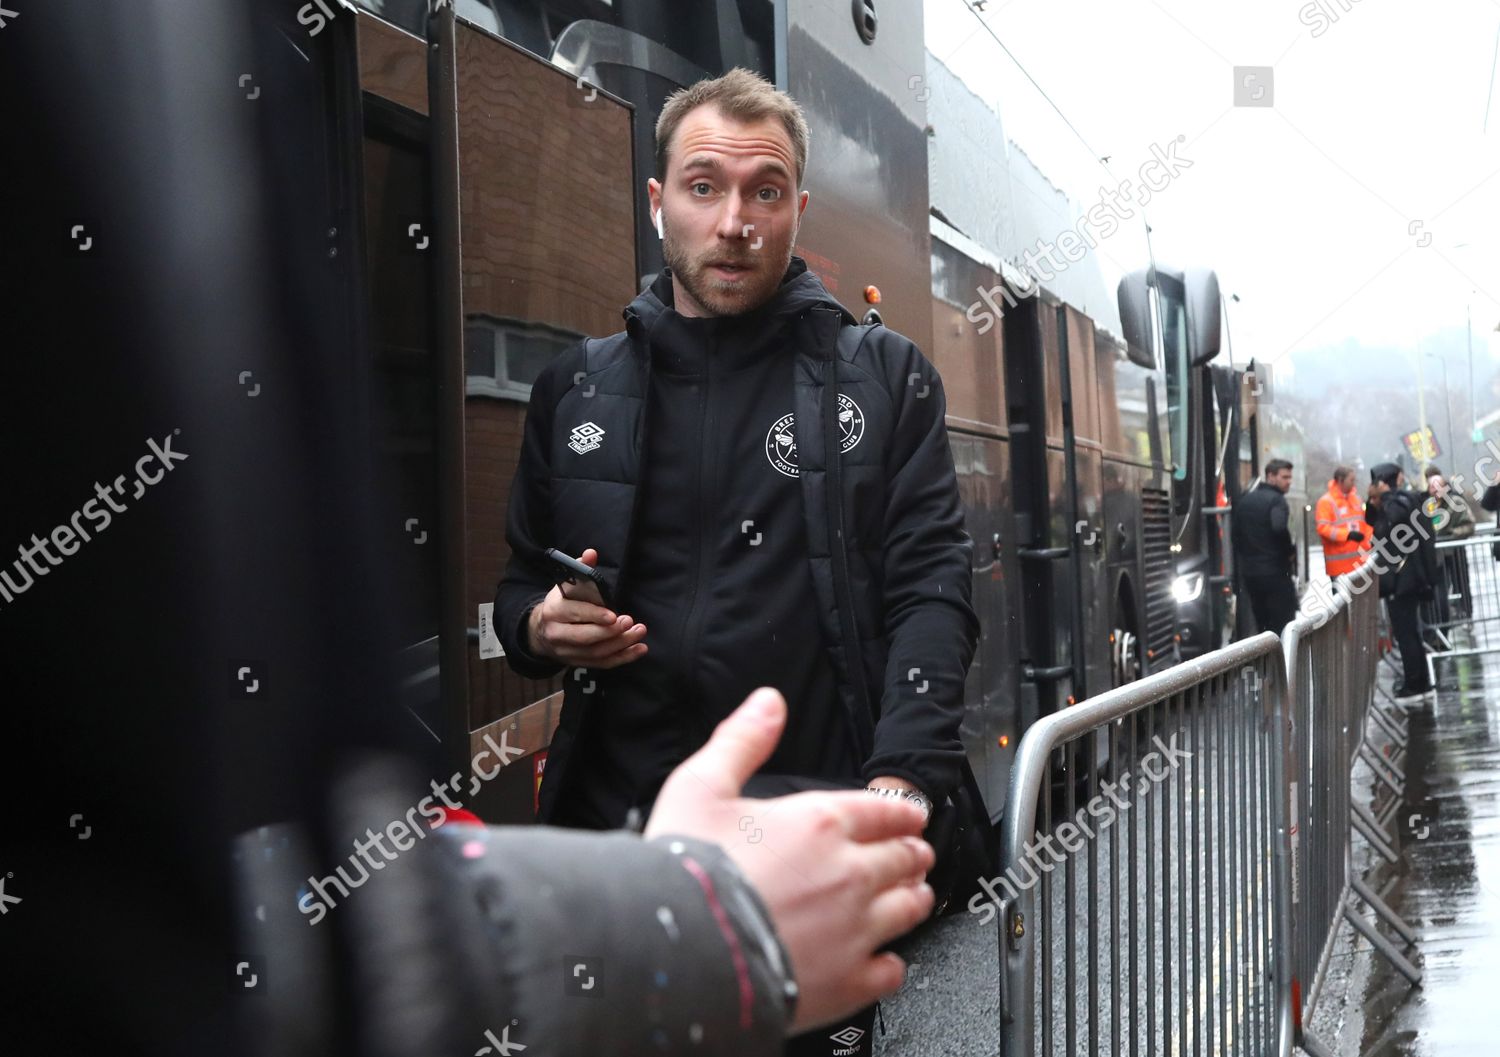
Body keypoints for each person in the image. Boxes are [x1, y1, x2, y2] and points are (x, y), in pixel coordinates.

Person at [495, 68, 979, 1056]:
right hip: (613, 848)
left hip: (794, 848)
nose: (735, 221)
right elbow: (514, 588)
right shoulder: (573, 391)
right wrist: (539, 627)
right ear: (658, 200)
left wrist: (899, 779)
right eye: (704, 185)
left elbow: (933, 588)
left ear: (799, 209)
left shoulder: (884, 381)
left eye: (765, 192)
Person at [1364, 463, 1439, 700]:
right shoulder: (1409, 499)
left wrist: (1381, 498)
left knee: (1406, 633)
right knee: (1410, 632)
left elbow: (1383, 530)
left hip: (1402, 578)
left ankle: (1415, 683)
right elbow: (1372, 520)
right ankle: (1419, 681)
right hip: (1411, 576)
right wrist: (1374, 500)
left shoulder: (1397, 503)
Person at [1232, 459, 1299, 633]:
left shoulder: (1245, 500)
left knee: (1262, 624)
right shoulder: (1277, 501)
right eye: (1284, 477)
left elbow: (1236, 536)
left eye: (1290, 477)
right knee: (1283, 626)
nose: (1289, 481)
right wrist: (1289, 551)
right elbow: (1278, 527)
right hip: (1276, 573)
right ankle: (1283, 659)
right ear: (1271, 476)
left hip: (1252, 574)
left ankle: (1265, 659)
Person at [1423, 465, 1475, 624]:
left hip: (1456, 551)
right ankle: (1443, 618)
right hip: (1437, 555)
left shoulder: (1456, 502)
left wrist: (1453, 534)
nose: (1434, 491)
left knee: (1461, 584)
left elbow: (1469, 525)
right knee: (1440, 588)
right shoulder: (1426, 506)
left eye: (1437, 487)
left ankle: (1466, 614)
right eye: (1431, 487)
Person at [1314, 465, 1371, 579]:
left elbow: (1365, 524)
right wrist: (1347, 535)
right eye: (1351, 480)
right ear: (1340, 480)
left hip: (1360, 564)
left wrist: (1369, 544)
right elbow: (1323, 528)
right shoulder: (1326, 502)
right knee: (1342, 597)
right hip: (1339, 568)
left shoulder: (1357, 499)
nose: (1354, 483)